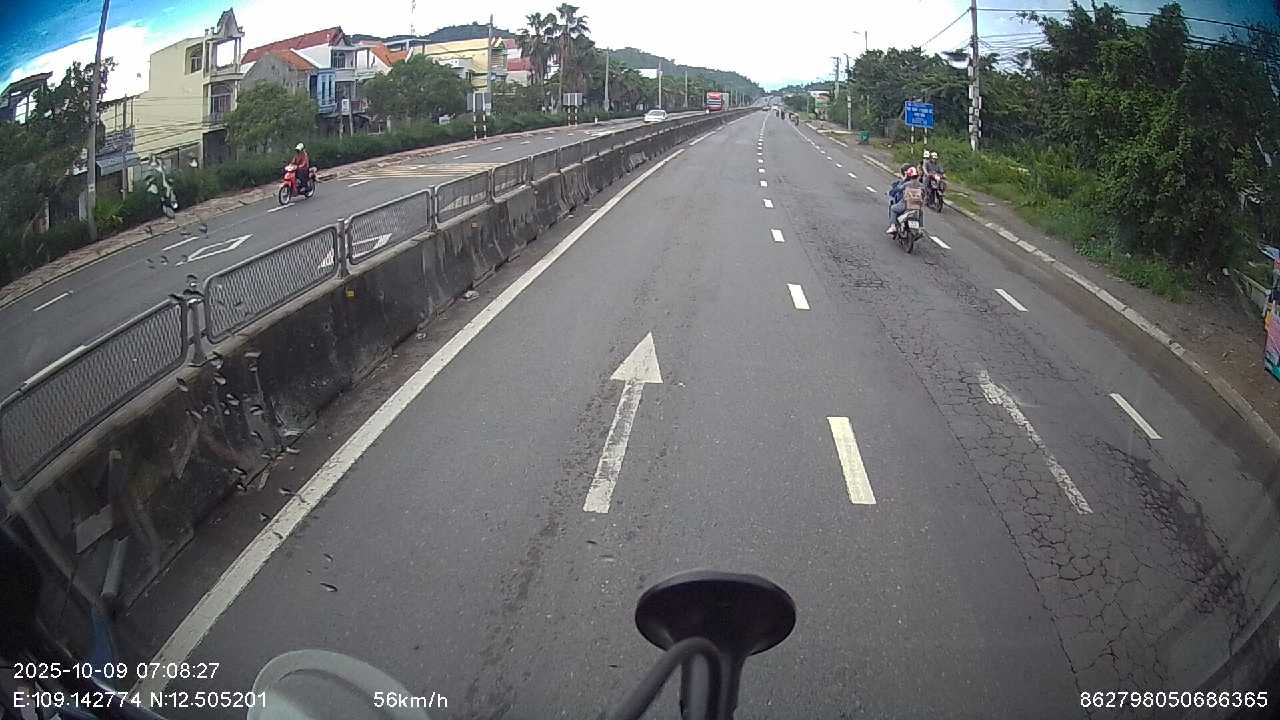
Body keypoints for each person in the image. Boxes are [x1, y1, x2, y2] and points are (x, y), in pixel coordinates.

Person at [887, 165, 924, 234]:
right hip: (917, 205)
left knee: (893, 209)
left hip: (906, 204)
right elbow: (924, 194)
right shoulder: (921, 185)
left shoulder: (907, 184)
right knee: (921, 213)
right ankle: (921, 228)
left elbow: (898, 190)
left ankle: (893, 226)